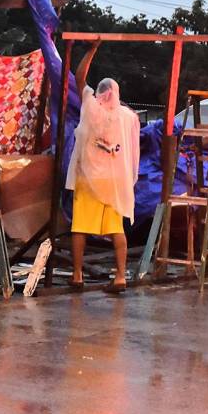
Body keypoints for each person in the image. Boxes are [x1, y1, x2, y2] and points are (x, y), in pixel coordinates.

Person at [65, 41, 140, 294]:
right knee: (116, 228)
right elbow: (132, 151)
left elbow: (79, 77)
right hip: (114, 182)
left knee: (81, 227)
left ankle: (77, 275)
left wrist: (91, 50)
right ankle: (120, 276)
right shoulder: (128, 117)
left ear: (100, 92)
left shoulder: (91, 107)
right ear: (116, 94)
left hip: (89, 179)